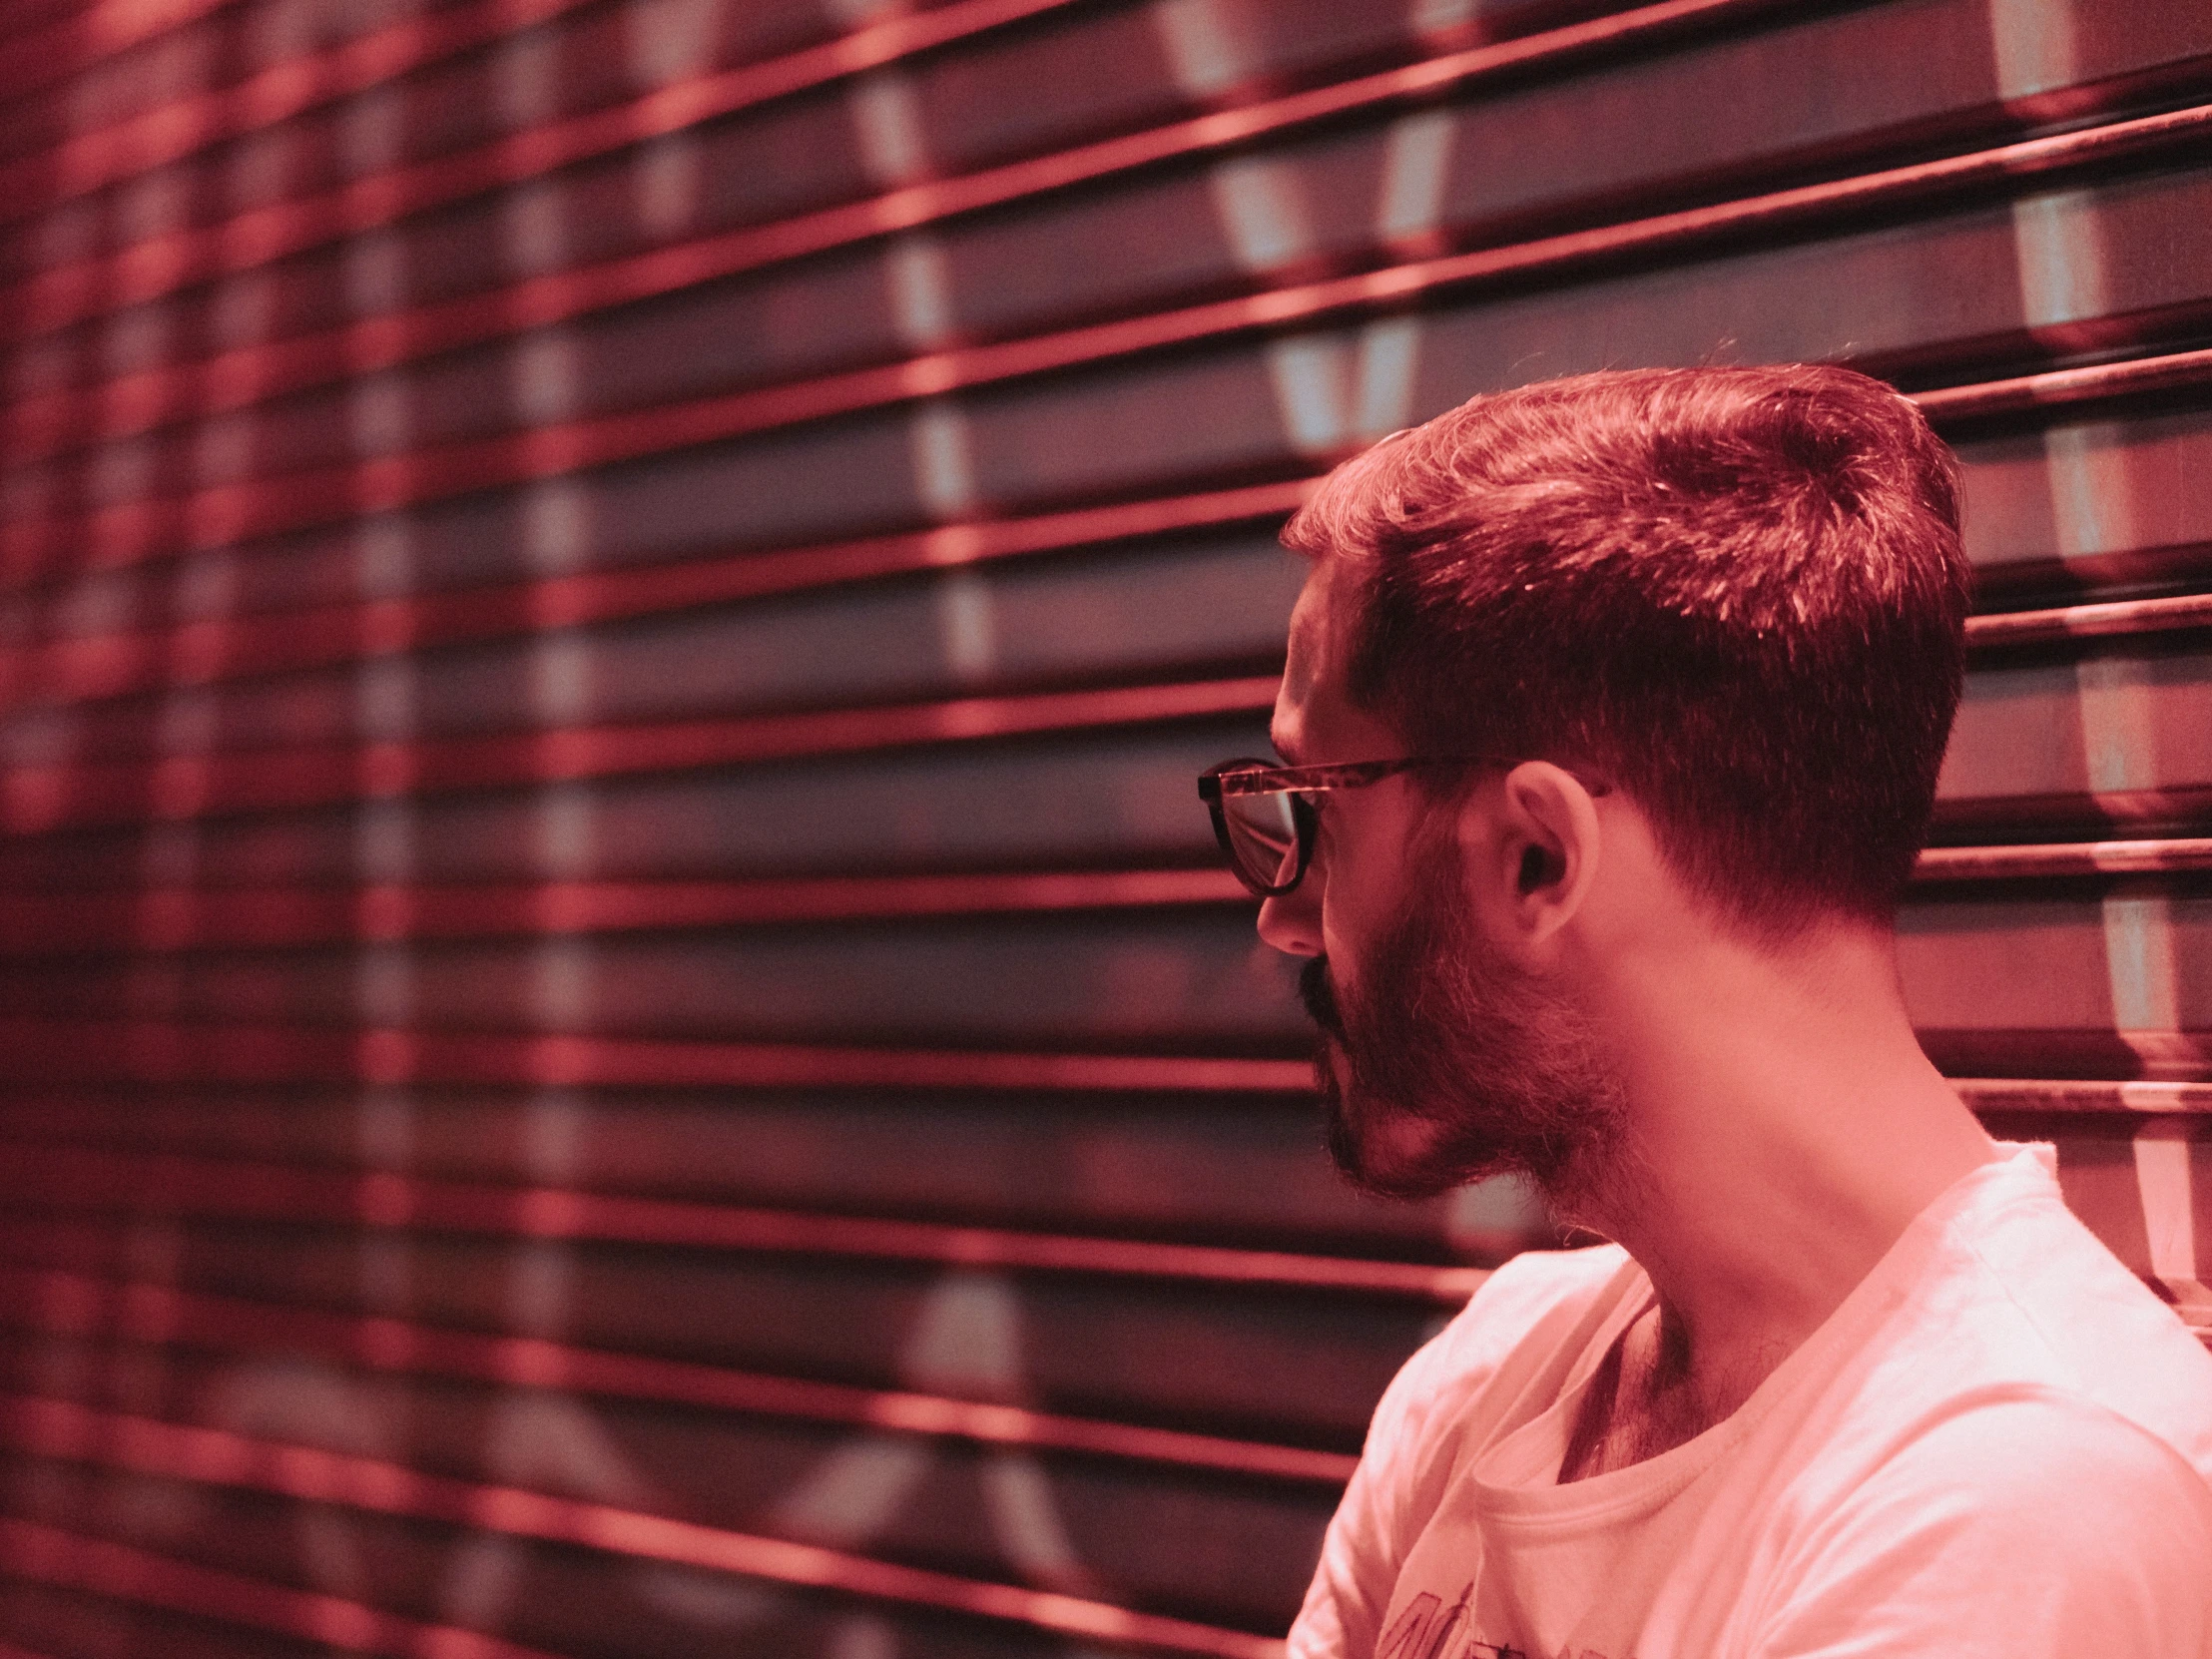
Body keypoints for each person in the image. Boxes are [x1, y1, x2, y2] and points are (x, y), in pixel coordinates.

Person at [1197, 365, 2212, 1659]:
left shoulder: (2018, 1502)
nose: (1283, 915)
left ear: (1537, 859)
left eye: (1315, 813)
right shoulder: (1495, 1374)